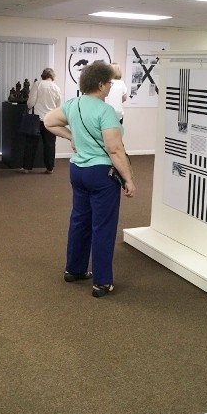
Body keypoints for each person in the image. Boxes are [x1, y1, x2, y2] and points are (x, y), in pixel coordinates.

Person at [44, 61, 135, 298]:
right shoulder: (106, 111)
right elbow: (115, 150)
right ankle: (102, 282)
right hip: (101, 175)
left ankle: (74, 269)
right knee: (103, 226)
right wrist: (128, 179)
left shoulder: (73, 104)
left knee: (80, 220)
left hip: (78, 172)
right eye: (109, 84)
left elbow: (49, 122)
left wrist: (71, 136)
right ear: (101, 84)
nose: (110, 88)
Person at [20, 68, 61, 174]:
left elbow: (31, 102)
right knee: (50, 144)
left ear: (43, 75)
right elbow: (59, 106)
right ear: (52, 76)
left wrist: (29, 107)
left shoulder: (38, 84)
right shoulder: (57, 88)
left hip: (36, 119)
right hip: (50, 120)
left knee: (31, 144)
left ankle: (27, 168)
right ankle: (50, 168)